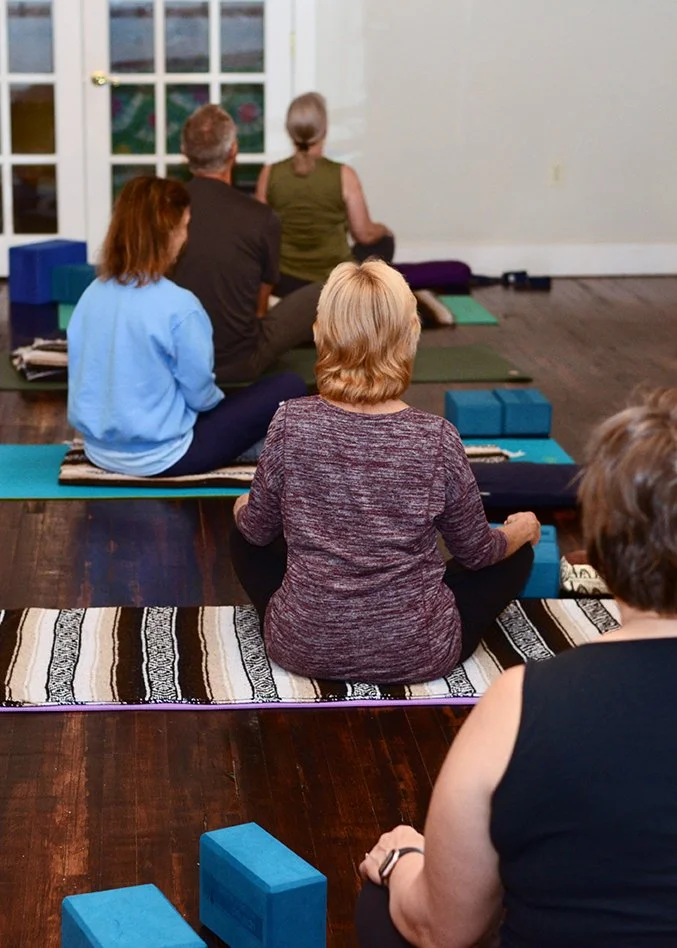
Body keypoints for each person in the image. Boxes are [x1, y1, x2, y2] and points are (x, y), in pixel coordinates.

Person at [357, 386, 677, 948]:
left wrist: (400, 861)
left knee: (385, 905)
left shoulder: (517, 704)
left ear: (599, 544)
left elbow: (444, 929)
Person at [230, 260, 538, 684]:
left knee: (241, 532)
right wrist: (522, 530)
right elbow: (477, 554)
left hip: (301, 645)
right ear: (411, 337)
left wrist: (241, 505)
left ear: (319, 334)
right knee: (515, 557)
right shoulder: (437, 438)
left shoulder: (289, 423)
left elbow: (257, 532)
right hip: (415, 651)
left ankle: (314, 622)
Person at [67, 175, 305, 477]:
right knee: (290, 384)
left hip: (98, 450)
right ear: (168, 233)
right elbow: (200, 396)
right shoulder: (180, 305)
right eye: (185, 227)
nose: (186, 238)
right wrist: (227, 409)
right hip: (165, 457)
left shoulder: (92, 294)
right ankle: (255, 450)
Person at [171, 104, 322, 385]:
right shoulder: (261, 217)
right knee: (325, 290)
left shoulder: (163, 210)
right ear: (233, 151)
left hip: (176, 359)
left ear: (184, 152)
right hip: (239, 365)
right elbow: (259, 307)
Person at [255, 92, 395, 297]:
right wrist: (384, 230)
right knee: (385, 242)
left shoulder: (269, 174)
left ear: (289, 129)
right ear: (324, 129)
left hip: (283, 280)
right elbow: (364, 234)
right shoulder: (344, 175)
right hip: (334, 281)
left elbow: (260, 234)